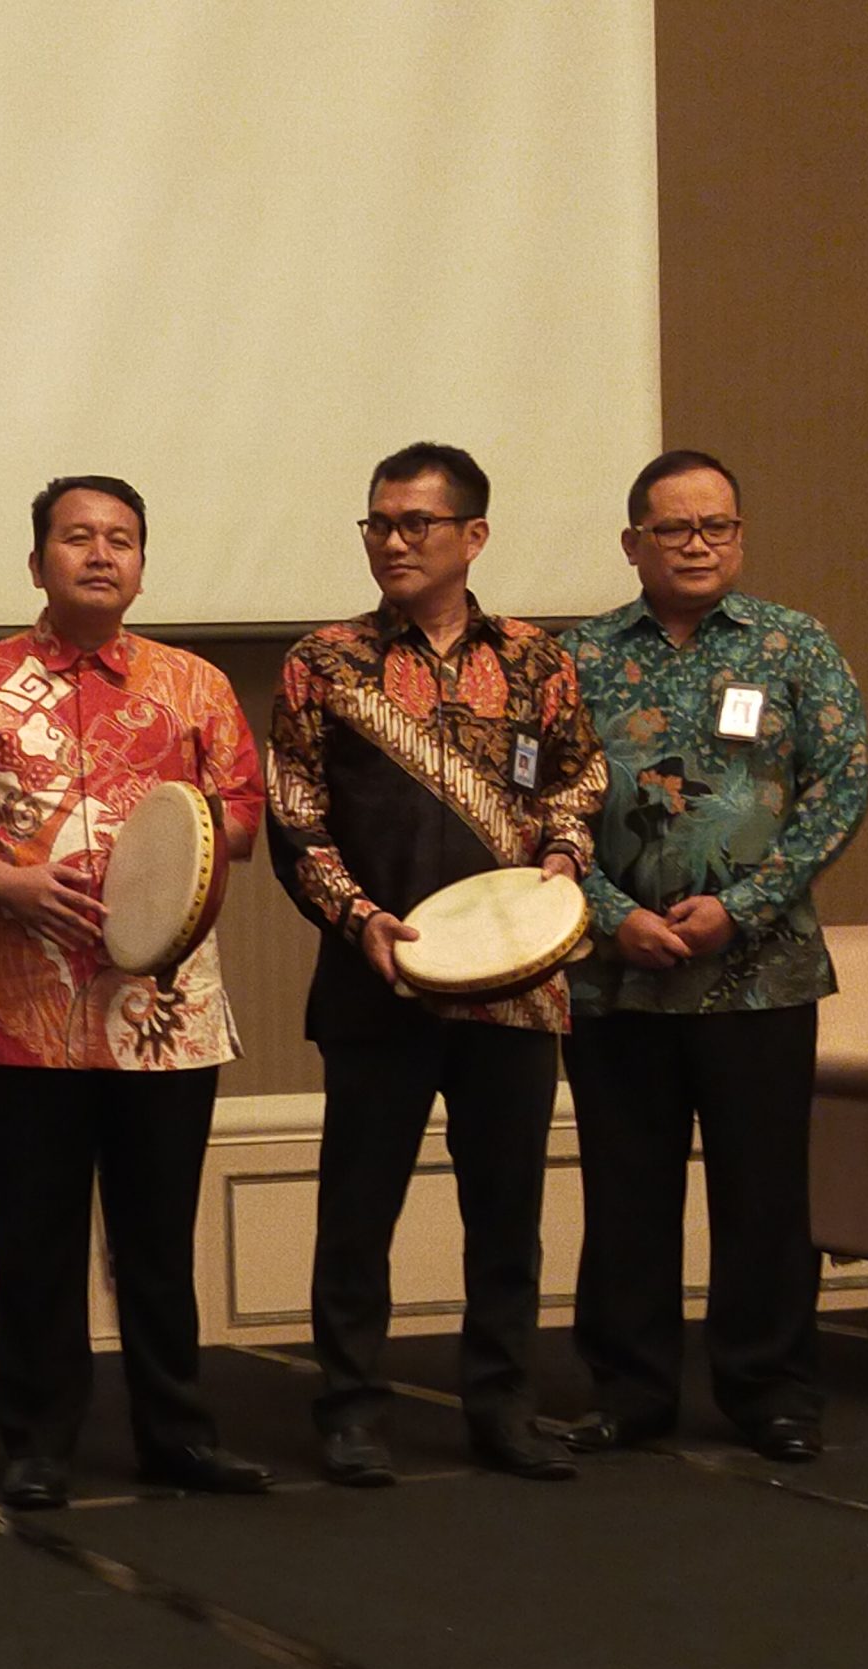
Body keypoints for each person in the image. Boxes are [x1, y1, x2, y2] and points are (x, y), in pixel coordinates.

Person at [0, 475, 275, 1507]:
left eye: (121, 539)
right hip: (19, 1009)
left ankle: (179, 1436)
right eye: (77, 537)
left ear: (142, 565)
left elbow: (242, 817)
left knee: (157, 1241)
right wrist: (9, 884)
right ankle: (37, 1443)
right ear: (38, 562)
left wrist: (162, 863)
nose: (100, 554)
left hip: (161, 1012)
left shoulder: (195, 686)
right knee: (35, 1242)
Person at [265, 442, 606, 1487]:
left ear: (473, 535)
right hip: (378, 978)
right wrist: (358, 917)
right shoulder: (323, 662)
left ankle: (502, 1409)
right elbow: (294, 813)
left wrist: (562, 858)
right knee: (356, 1211)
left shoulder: (541, 661)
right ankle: (349, 1411)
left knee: (505, 1215)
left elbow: (579, 780)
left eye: (416, 522)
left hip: (516, 985)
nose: (393, 541)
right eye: (378, 522)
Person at [559, 449, 868, 1463]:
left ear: (738, 534)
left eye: (717, 526)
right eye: (674, 528)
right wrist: (610, 916)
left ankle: (770, 1391)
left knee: (765, 1196)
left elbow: (841, 787)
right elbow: (537, 806)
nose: (697, 545)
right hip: (617, 976)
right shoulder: (577, 658)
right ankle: (630, 1392)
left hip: (761, 971)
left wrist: (742, 908)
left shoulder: (794, 644)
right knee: (625, 1195)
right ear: (632, 543)